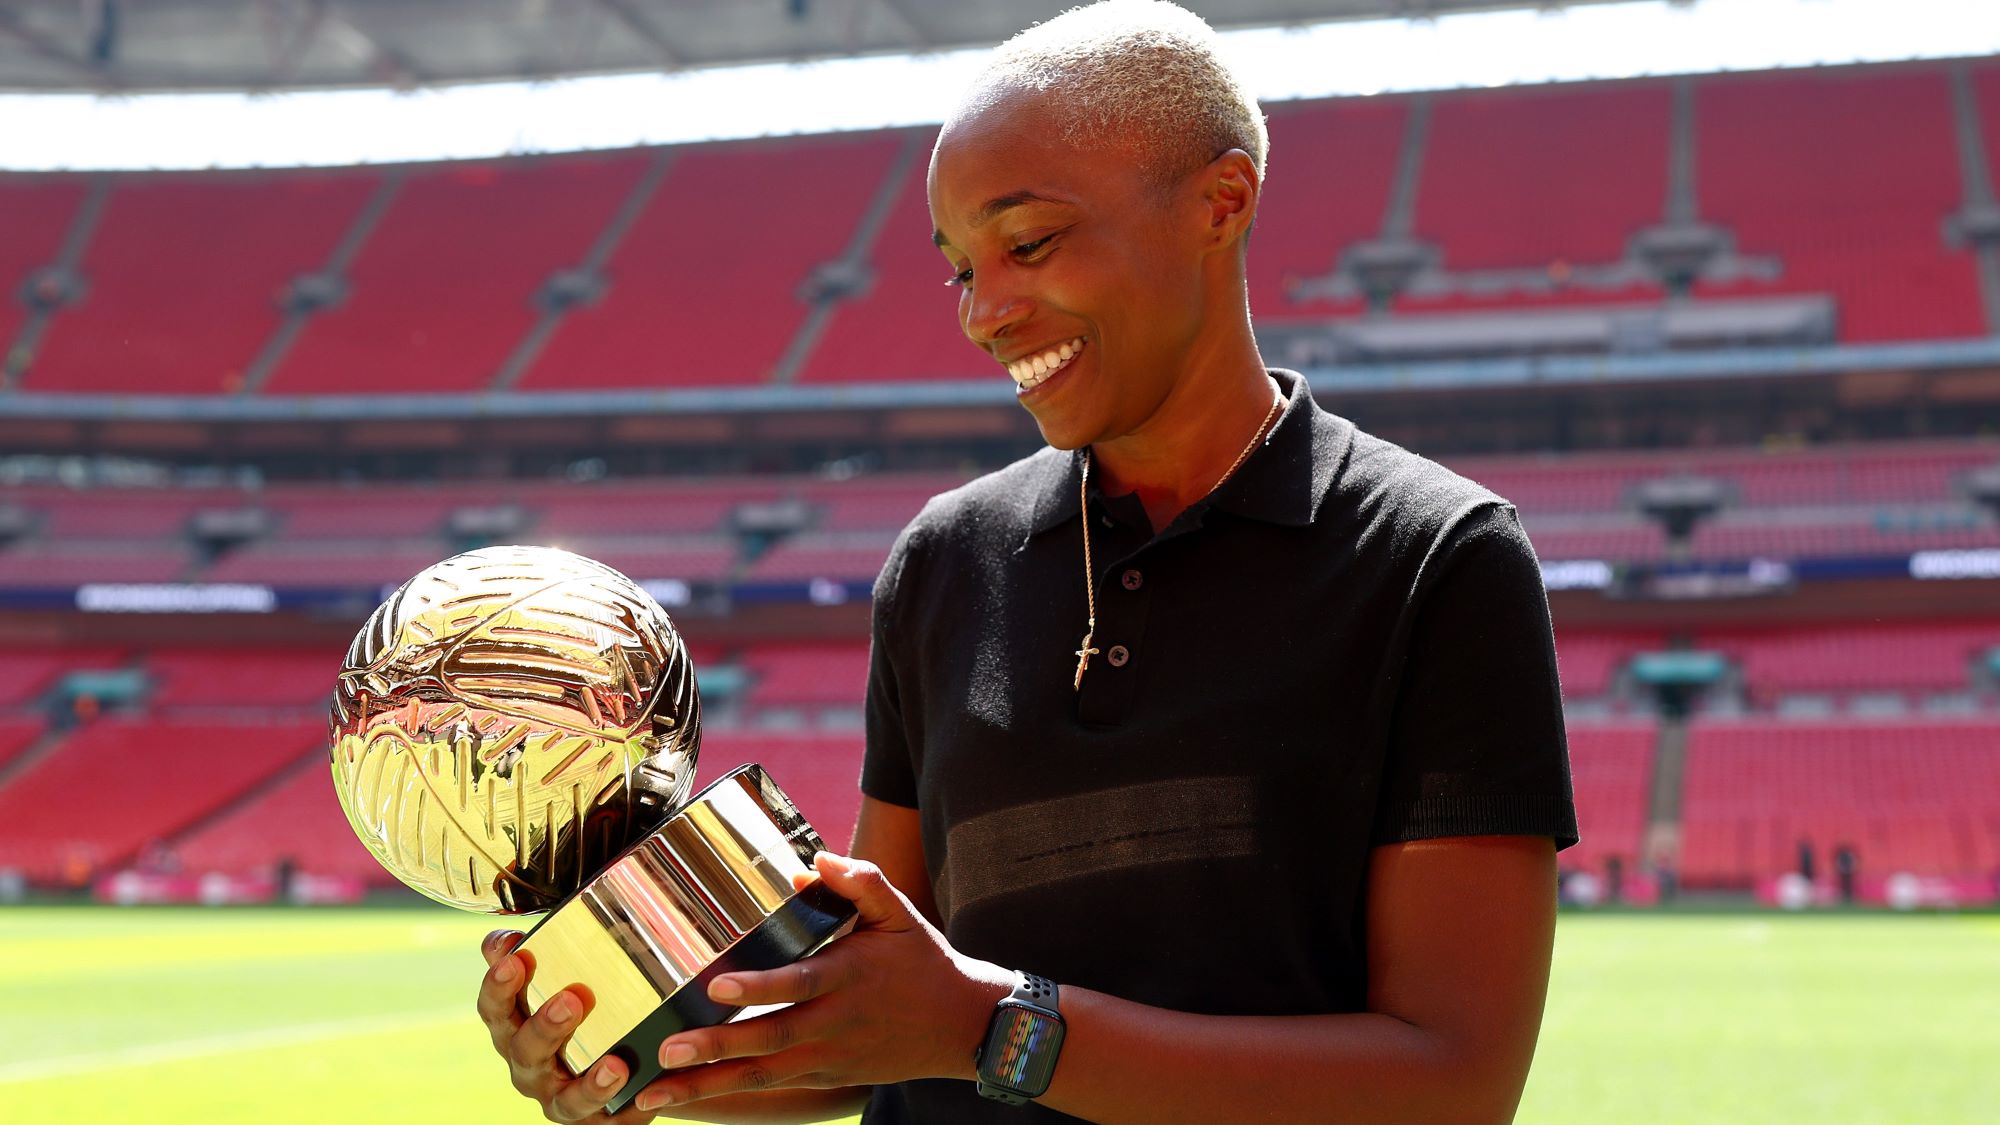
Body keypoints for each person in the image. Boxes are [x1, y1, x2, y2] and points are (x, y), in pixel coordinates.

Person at [476, 3, 1577, 1121]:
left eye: (1030, 244)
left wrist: (993, 1028)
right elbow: (872, 1030)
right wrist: (618, 1062)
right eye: (960, 270)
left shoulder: (1437, 557)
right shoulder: (942, 560)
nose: (983, 314)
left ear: (1220, 202)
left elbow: (1452, 1084)